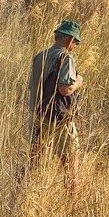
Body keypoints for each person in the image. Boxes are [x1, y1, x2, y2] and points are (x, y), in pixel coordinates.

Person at [26, 19, 86, 190]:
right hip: (59, 120)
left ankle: (23, 194)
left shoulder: (40, 56)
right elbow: (65, 89)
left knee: (33, 162)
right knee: (70, 164)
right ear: (69, 40)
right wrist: (77, 82)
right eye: (76, 43)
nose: (75, 47)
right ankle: (73, 206)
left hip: (38, 116)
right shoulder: (66, 57)